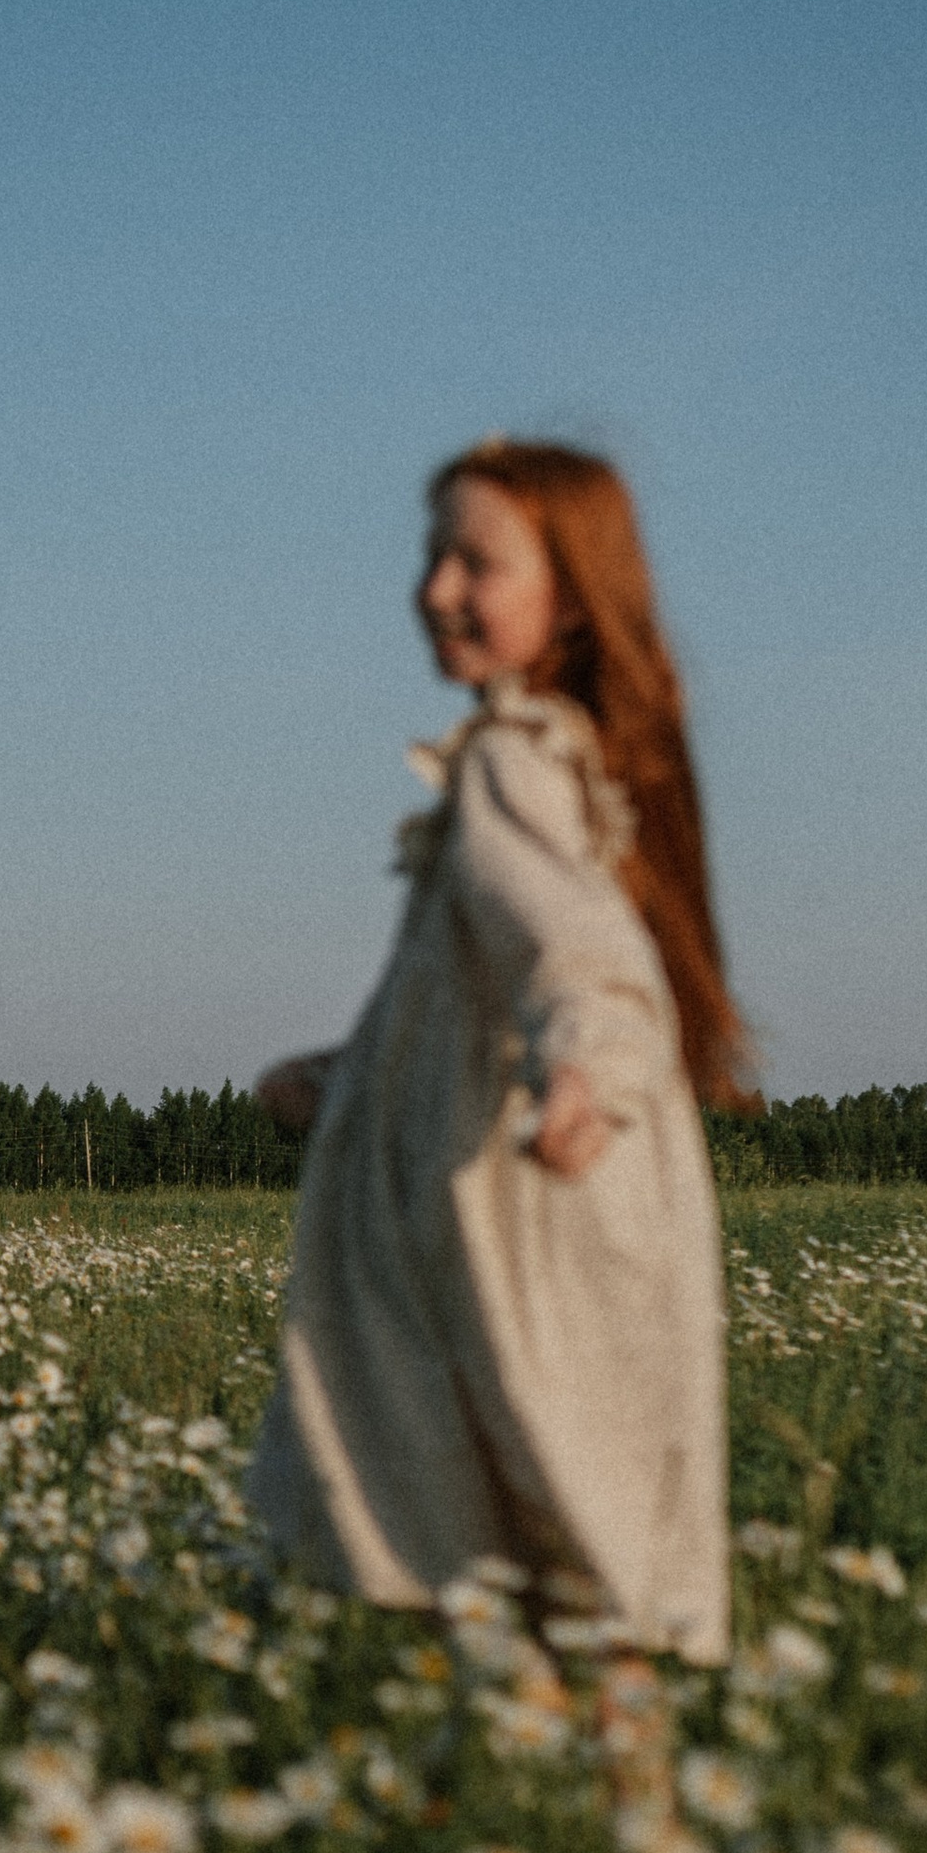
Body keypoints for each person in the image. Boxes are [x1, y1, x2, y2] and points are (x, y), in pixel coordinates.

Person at [247, 441, 750, 1660]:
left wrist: (589, 1064)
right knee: (566, 1531)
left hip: (527, 1201)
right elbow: (469, 992)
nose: (435, 590)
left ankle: (589, 1809)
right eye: (432, 557)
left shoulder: (512, 762)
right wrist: (348, 1073)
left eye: (475, 561)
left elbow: (576, 954)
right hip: (558, 1163)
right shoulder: (568, 763)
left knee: (535, 1507)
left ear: (570, 595)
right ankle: (619, 1806)